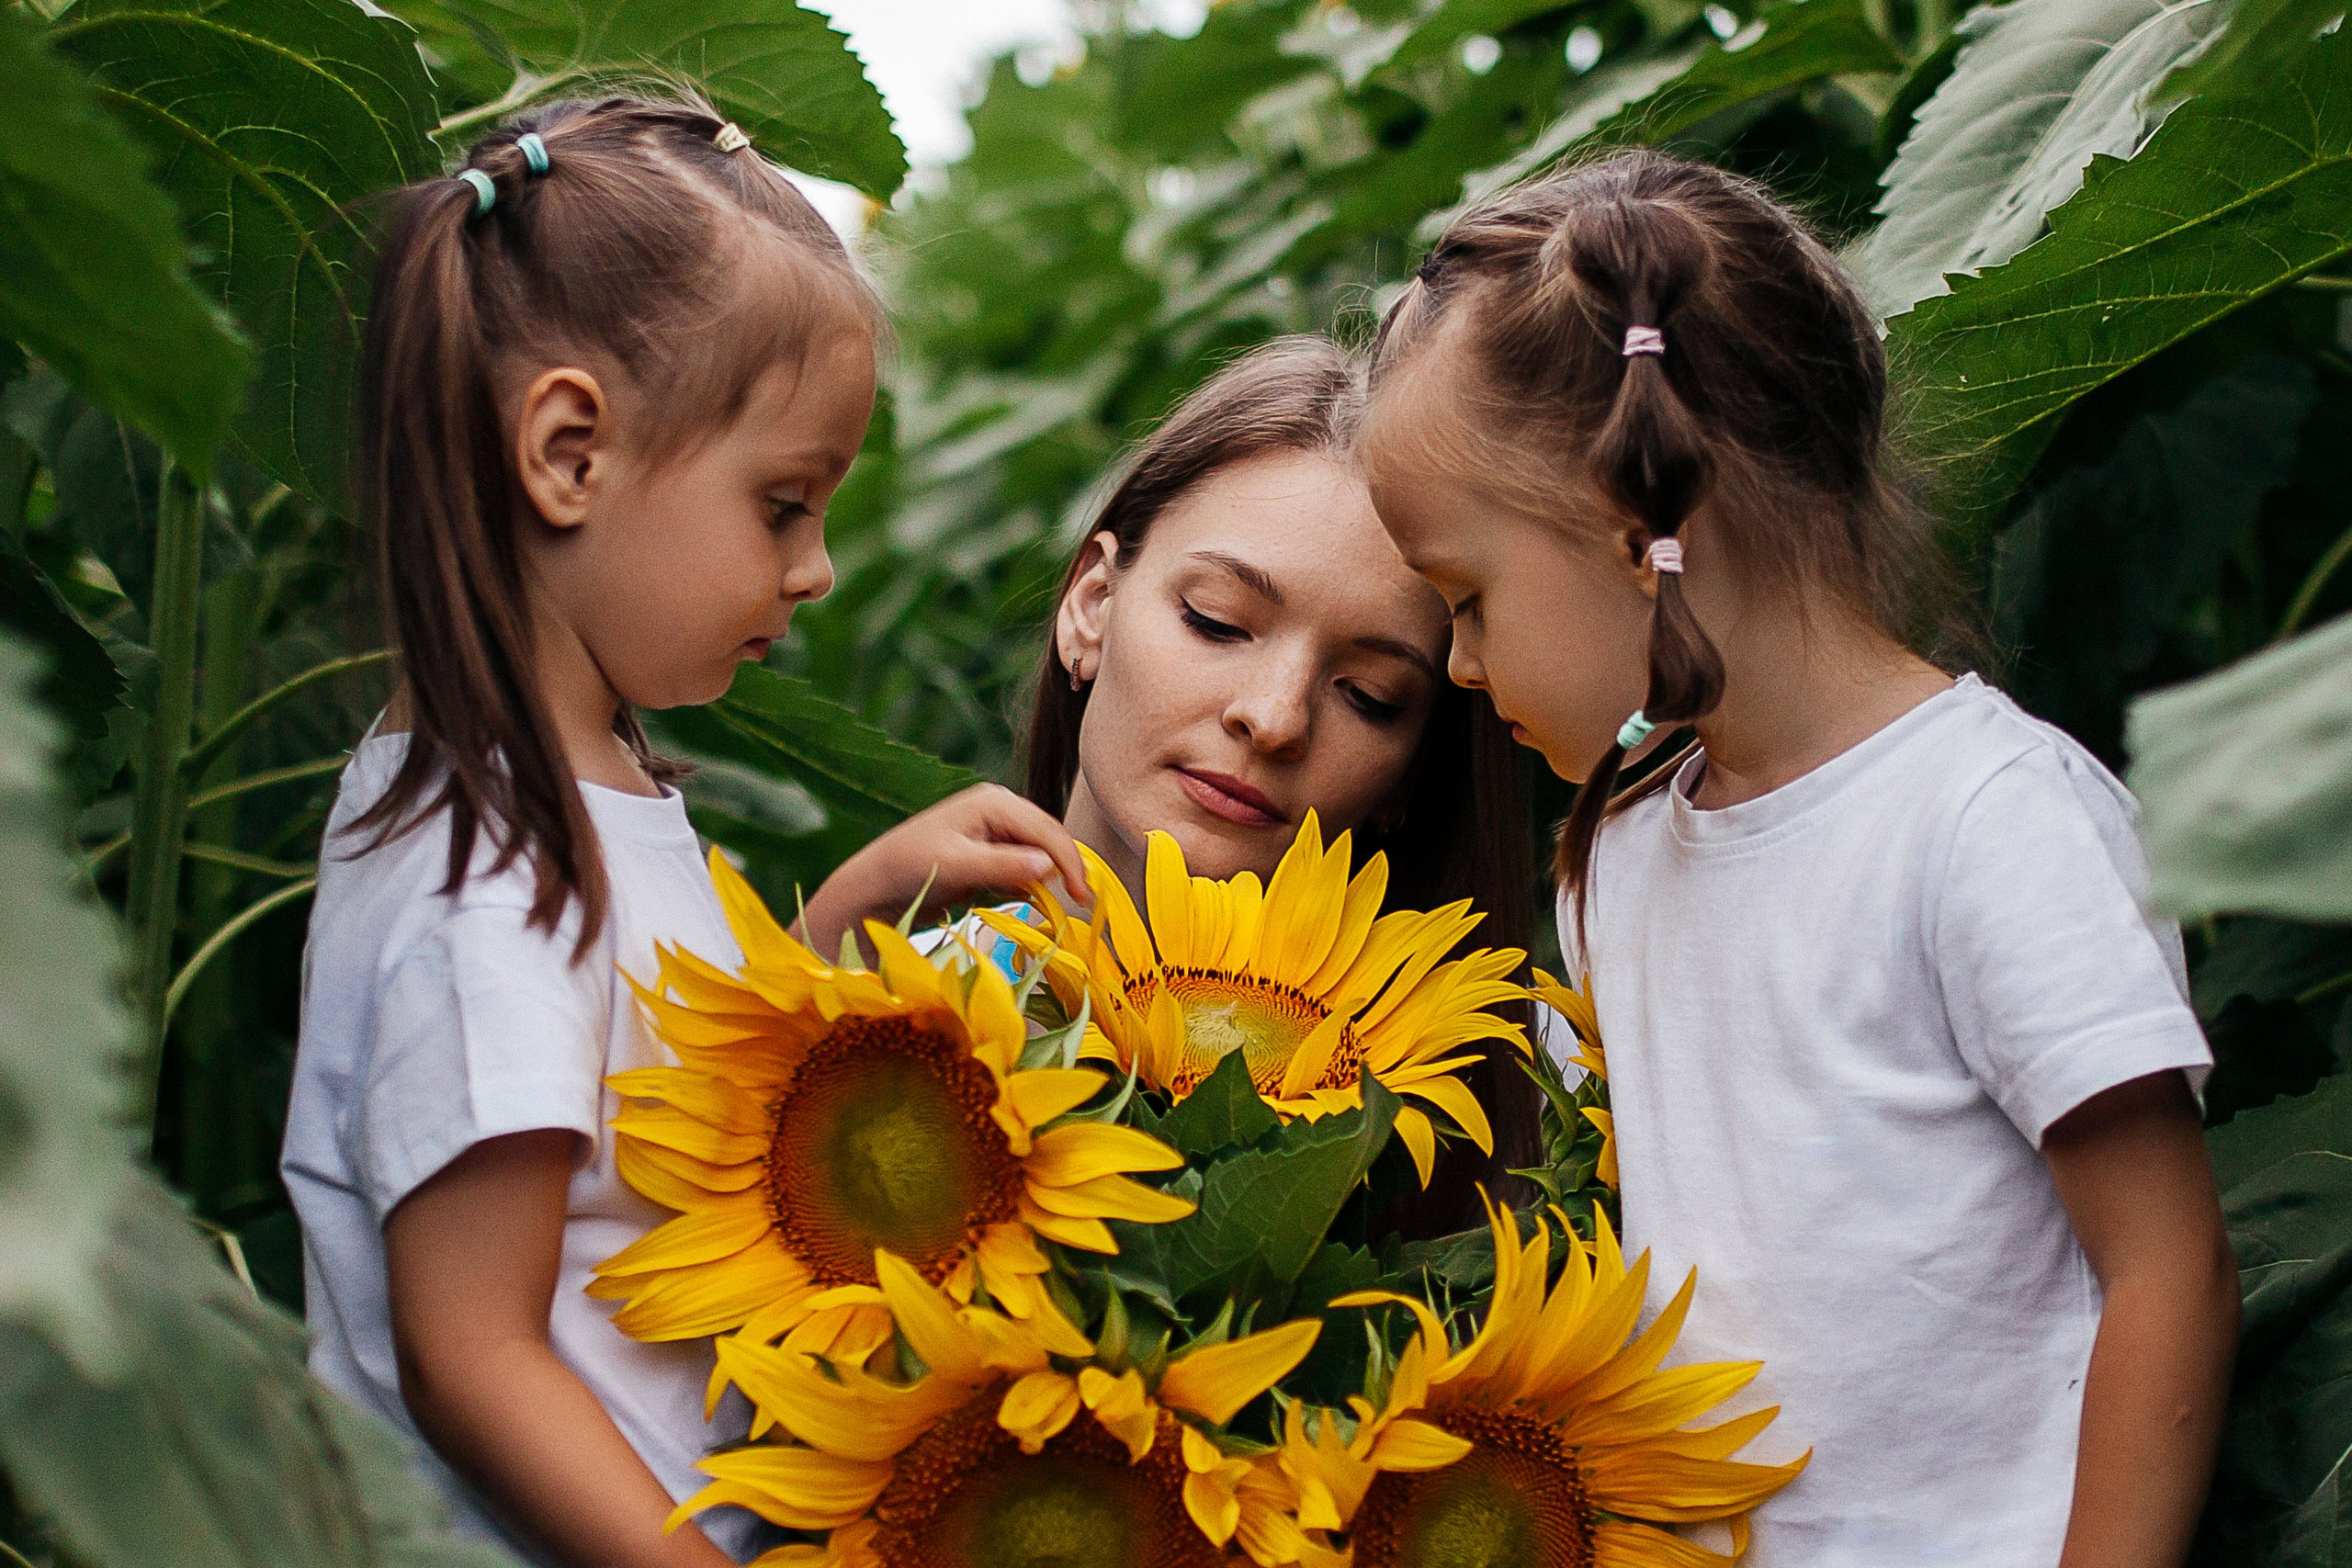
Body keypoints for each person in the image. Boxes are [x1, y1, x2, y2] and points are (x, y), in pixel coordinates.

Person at [1358, 151, 2238, 1567]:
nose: (1458, 661)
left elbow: (2169, 1267)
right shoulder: (1624, 859)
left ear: (1642, 517)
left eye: (1467, 596)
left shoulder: (1986, 820)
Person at [281, 96, 1087, 1568]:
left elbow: (636, 1111)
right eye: (785, 503)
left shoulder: (562, 796)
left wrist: (845, 909)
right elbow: (471, 1352)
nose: (818, 566)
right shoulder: (493, 880)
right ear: (570, 453)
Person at [1020, 335, 1543, 1230]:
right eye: (1217, 622)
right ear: (1090, 607)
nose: (1274, 717)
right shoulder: (872, 1017)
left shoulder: (1525, 1090)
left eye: (1370, 697)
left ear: (1409, 775)